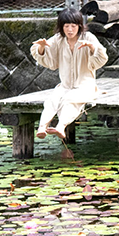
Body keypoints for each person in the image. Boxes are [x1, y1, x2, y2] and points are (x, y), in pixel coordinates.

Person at [30, 8, 108, 140]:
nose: (70, 30)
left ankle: (61, 127)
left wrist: (91, 47)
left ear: (79, 26)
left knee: (69, 100)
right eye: (66, 26)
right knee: (52, 100)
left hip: (85, 86)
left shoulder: (88, 37)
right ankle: (42, 127)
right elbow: (50, 60)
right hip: (65, 86)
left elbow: (101, 58)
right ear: (62, 27)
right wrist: (42, 47)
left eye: (73, 26)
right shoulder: (58, 39)